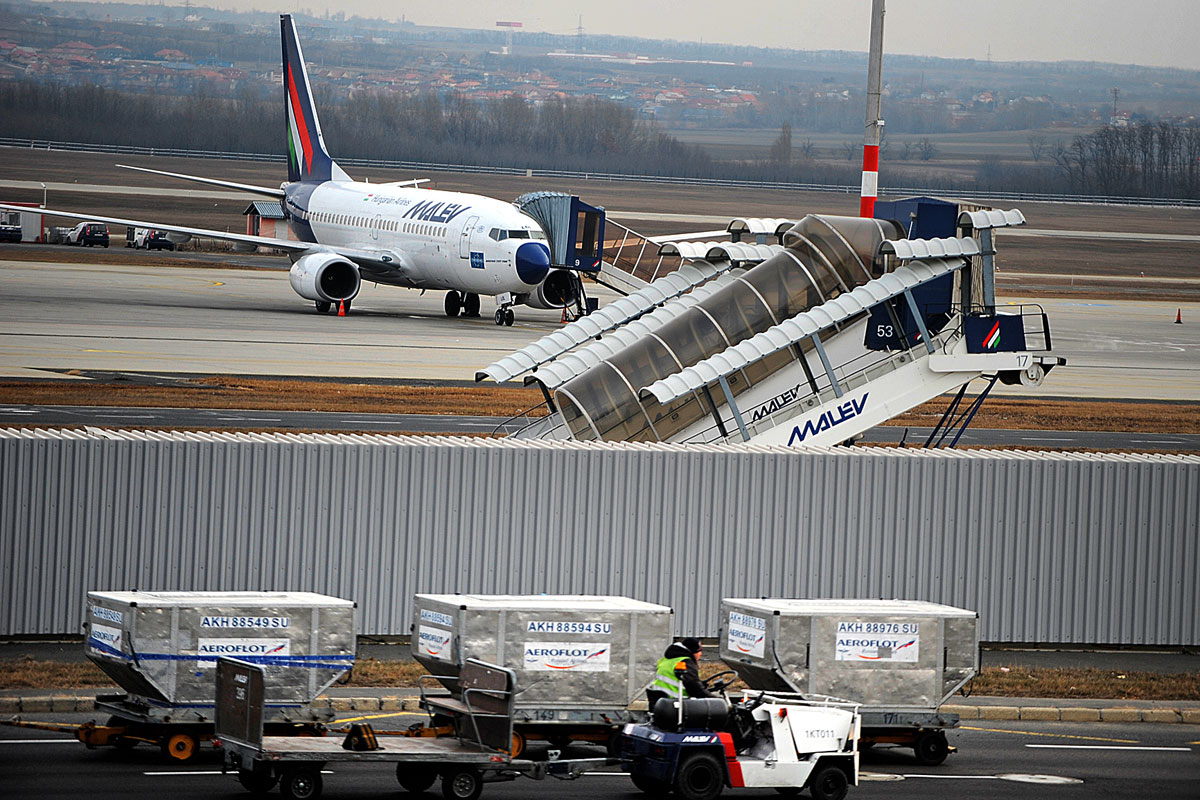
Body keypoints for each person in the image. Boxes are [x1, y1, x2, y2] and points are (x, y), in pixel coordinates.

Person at [647, 636, 711, 709]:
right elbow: (695, 689)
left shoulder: (667, 660)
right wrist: (715, 699)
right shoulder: (685, 663)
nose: (701, 654)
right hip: (676, 705)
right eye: (699, 651)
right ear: (693, 651)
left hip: (660, 704)